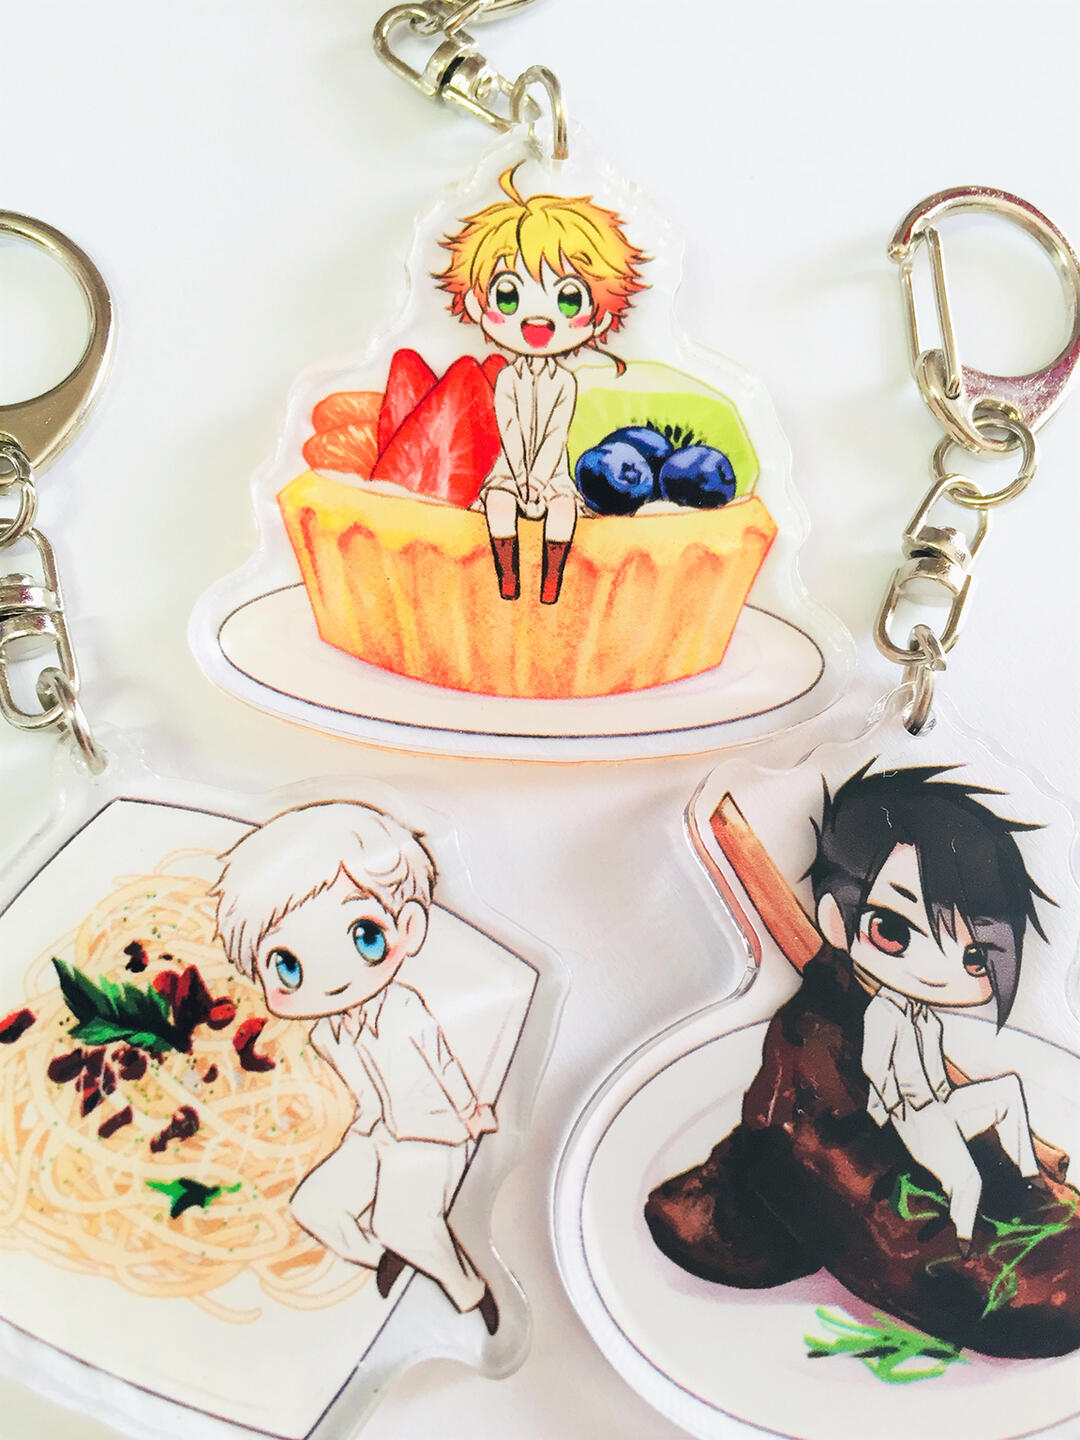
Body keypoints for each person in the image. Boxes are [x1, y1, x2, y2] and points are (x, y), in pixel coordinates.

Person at [212, 800, 500, 1333]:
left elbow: (439, 1058)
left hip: (432, 1130)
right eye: (287, 966)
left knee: (404, 1222)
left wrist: (469, 1110)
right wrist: (366, 1131)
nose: (332, 979)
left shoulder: (404, 1006)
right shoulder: (324, 1033)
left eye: (364, 935)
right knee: (315, 1207)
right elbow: (365, 1089)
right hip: (376, 1132)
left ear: (408, 927)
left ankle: (470, 1295)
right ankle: (392, 1265)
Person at [807, 763, 1051, 1253]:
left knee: (1007, 1091)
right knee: (967, 1181)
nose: (936, 971)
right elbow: (876, 1066)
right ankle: (962, 1252)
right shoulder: (884, 1012)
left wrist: (944, 1102)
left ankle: (1033, 1184)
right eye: (892, 931)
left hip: (939, 1106)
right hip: (910, 1118)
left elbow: (933, 1069)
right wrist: (884, 1120)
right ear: (836, 920)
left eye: (975, 956)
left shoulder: (926, 1017)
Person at [437, 164, 647, 603]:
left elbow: (555, 435)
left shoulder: (565, 383)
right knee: (498, 506)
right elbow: (510, 429)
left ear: (600, 317)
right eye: (507, 296)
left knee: (564, 510)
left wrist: (540, 481)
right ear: (476, 306)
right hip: (508, 470)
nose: (538, 320)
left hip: (552, 473)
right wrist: (519, 478)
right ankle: (508, 580)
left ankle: (552, 584)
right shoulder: (507, 378)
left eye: (569, 300)